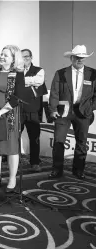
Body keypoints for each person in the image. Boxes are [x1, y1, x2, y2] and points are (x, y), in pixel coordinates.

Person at [49, 45, 96, 180]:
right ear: (71, 58)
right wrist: (52, 110)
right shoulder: (61, 73)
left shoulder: (93, 74)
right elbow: (54, 92)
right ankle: (57, 170)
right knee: (58, 141)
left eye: (82, 57)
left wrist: (90, 107)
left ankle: (78, 170)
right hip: (63, 112)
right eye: (77, 57)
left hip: (83, 113)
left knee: (82, 142)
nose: (79, 60)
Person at [0, 45, 25, 193]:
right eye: (1, 54)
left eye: (6, 55)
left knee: (11, 148)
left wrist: (1, 112)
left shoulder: (18, 75)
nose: (2, 57)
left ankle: (12, 178)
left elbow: (17, 97)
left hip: (9, 116)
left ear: (13, 59)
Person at [20, 48, 48, 172]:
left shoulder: (39, 70)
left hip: (33, 109)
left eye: (27, 56)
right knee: (15, 137)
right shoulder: (16, 71)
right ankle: (15, 161)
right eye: (22, 57)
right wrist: (30, 81)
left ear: (31, 57)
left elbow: (39, 81)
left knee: (34, 137)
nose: (24, 59)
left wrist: (22, 81)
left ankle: (35, 162)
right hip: (18, 109)